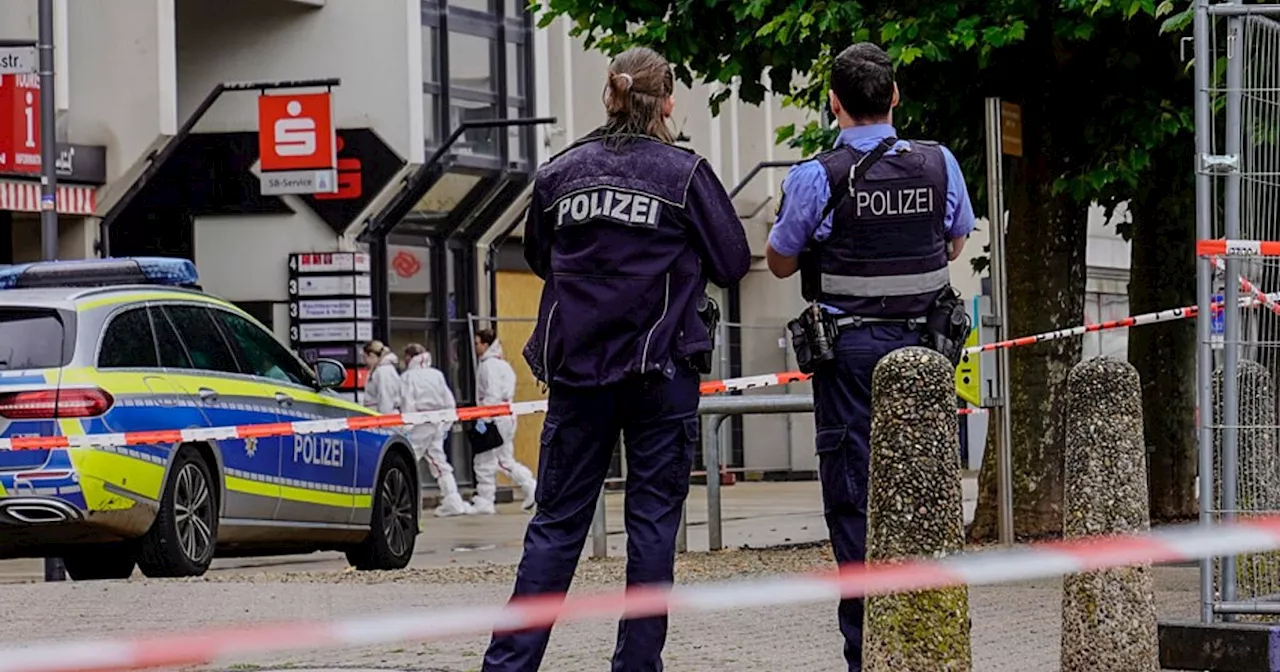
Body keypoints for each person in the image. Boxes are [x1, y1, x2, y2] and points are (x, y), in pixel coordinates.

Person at [481, 46, 750, 672]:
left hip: (578, 376)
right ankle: (636, 665)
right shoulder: (684, 174)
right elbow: (735, 261)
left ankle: (510, 665)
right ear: (668, 101)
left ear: (610, 94)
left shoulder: (559, 171)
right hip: (661, 376)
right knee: (652, 528)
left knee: (555, 527)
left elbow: (542, 258)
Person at [764, 43, 975, 672]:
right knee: (929, 488)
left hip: (850, 357)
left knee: (855, 497)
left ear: (834, 104)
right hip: (927, 350)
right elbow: (956, 242)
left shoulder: (814, 176)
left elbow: (777, 261)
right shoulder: (940, 164)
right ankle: (931, 639)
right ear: (895, 97)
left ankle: (868, 652)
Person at [469, 329, 537, 515]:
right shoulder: (503, 364)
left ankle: (485, 499)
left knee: (485, 460)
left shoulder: (488, 366)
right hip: (506, 414)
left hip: (495, 415)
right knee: (504, 459)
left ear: (485, 344)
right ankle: (530, 486)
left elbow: (492, 393)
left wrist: (484, 417)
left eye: (477, 343)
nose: (475, 347)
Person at [401, 344, 471, 518]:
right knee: (439, 462)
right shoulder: (436, 374)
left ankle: (405, 501)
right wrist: (446, 423)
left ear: (410, 358)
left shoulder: (408, 377)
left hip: (419, 423)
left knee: (406, 460)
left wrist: (406, 427)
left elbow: (407, 402)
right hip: (437, 421)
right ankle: (452, 499)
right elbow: (449, 400)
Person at [361, 340, 401, 415]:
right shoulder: (381, 370)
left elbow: (386, 399)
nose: (364, 361)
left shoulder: (383, 371)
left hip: (384, 418)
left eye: (365, 357)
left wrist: (383, 421)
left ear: (371, 355)